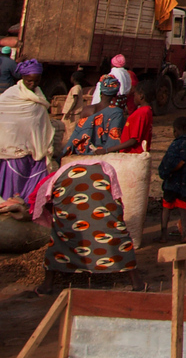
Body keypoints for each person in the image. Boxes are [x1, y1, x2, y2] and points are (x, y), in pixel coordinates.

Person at [33, 154, 144, 293]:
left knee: (60, 237)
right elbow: (116, 199)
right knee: (114, 230)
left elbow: (50, 205)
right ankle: (137, 282)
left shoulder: (49, 183)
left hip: (70, 189)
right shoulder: (102, 170)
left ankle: (47, 286)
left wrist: (60, 223)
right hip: (100, 182)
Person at [0, 59, 52, 201]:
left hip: (34, 152)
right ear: (22, 78)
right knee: (12, 188)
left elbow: (42, 125)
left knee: (31, 190)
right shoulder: (10, 96)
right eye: (29, 81)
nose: (32, 84)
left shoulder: (39, 96)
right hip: (12, 151)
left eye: (36, 81)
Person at [157, 116, 186, 240]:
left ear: (175, 130)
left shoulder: (175, 144)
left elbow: (169, 163)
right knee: (182, 208)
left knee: (166, 207)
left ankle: (163, 235)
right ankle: (184, 235)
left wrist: (164, 174)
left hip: (172, 183)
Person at [66, 75, 128, 155]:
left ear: (101, 92)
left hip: (81, 153)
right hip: (100, 154)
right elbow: (113, 140)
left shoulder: (86, 109)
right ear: (116, 94)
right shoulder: (116, 113)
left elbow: (76, 134)